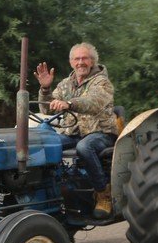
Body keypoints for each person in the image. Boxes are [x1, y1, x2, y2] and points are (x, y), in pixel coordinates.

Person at [35, 43, 117, 219]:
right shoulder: (66, 84)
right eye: (77, 59)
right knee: (45, 143)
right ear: (71, 62)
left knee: (85, 147)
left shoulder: (102, 82)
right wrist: (46, 89)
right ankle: (48, 193)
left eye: (84, 58)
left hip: (101, 133)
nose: (81, 62)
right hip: (73, 134)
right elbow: (47, 110)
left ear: (92, 61)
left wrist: (69, 103)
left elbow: (94, 103)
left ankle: (103, 194)